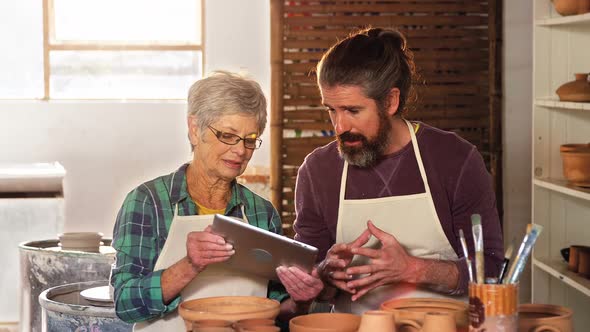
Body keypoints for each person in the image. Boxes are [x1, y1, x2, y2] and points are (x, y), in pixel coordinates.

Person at [281, 27, 504, 314]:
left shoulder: (455, 160)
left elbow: (493, 269)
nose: (339, 127)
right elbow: (312, 284)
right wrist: (325, 274)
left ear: (390, 101)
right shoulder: (318, 170)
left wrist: (415, 269)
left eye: (352, 110)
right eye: (331, 110)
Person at [110, 71, 317, 331]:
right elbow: (125, 303)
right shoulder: (147, 202)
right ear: (195, 130)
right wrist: (190, 265)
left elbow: (274, 308)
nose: (241, 150)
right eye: (228, 136)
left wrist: (300, 301)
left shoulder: (260, 212)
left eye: (250, 140)